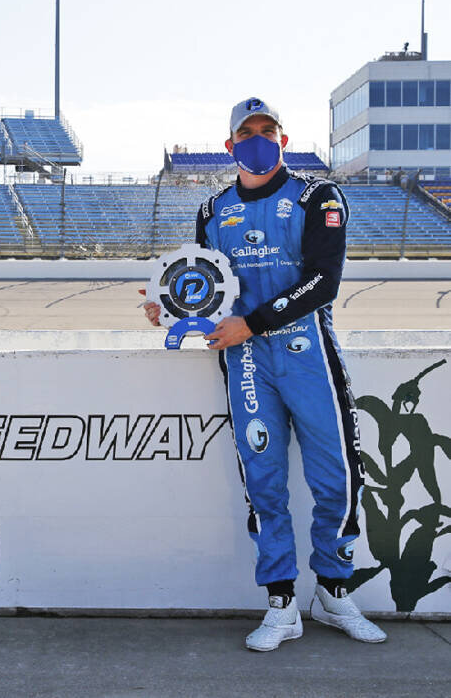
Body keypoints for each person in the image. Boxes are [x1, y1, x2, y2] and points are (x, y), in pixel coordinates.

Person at [142, 97, 386, 651]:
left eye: (267, 129)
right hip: (245, 362)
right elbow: (206, 285)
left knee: (336, 480)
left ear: (282, 137)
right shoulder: (212, 210)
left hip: (308, 357)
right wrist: (170, 305)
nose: (258, 137)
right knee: (264, 483)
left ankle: (333, 589)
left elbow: (324, 282)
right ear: (230, 146)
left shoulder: (317, 195)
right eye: (246, 132)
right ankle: (281, 602)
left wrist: (251, 323)